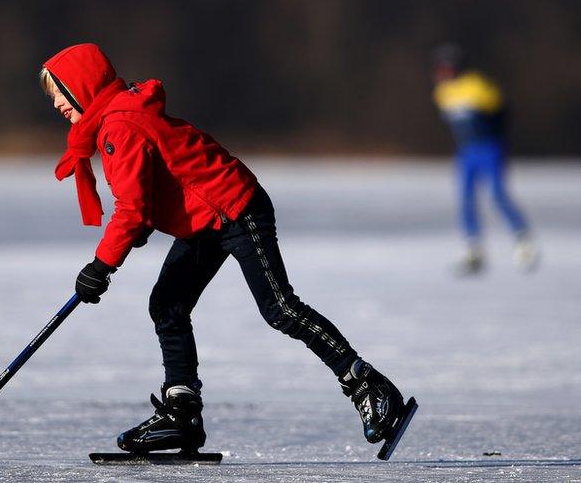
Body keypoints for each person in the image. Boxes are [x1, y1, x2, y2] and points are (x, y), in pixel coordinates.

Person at [40, 43, 413, 455]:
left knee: (279, 308)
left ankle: (370, 386)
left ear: (84, 87)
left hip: (236, 208)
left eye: (60, 90)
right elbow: (151, 188)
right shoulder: (116, 120)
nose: (56, 102)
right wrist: (134, 232)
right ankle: (181, 414)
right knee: (168, 304)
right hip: (204, 219)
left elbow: (131, 209)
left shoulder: (118, 125)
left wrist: (100, 266)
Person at [431, 44, 539, 276]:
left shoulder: (477, 85)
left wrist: (500, 142)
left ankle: (522, 240)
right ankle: (473, 248)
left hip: (489, 147)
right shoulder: (442, 92)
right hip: (466, 151)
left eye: (445, 68)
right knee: (466, 197)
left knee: (497, 194)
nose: (441, 72)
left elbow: (502, 111)